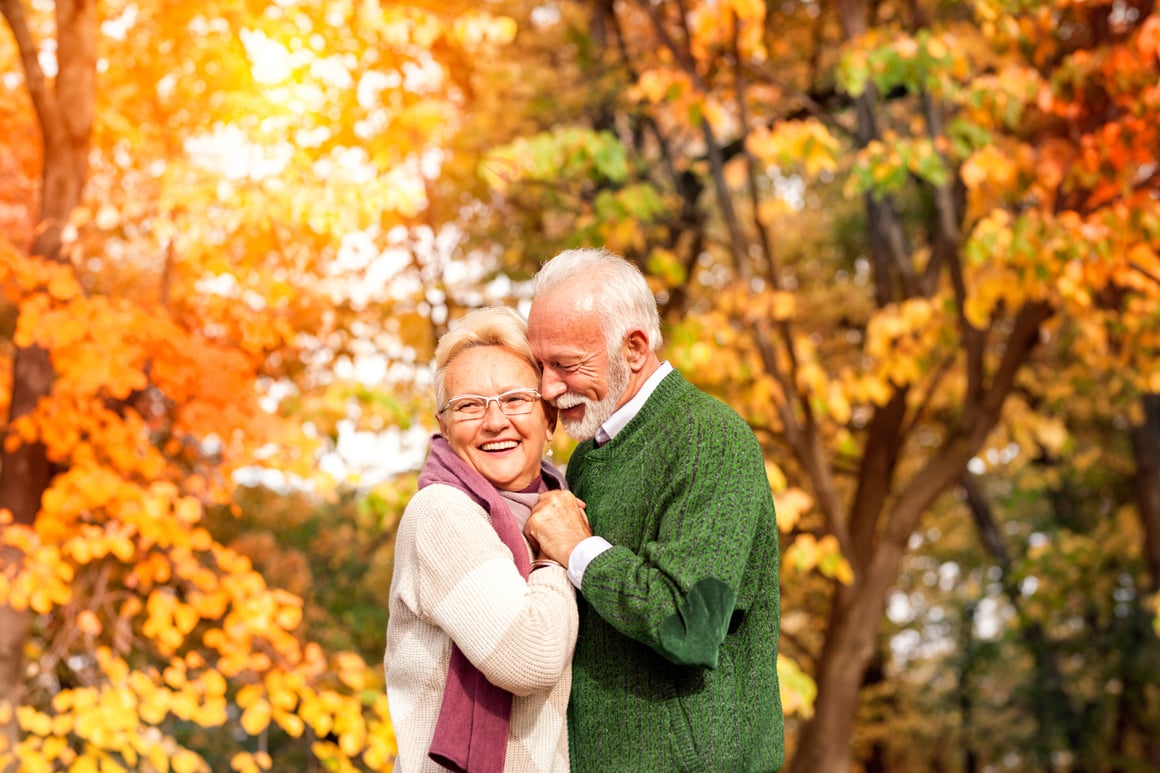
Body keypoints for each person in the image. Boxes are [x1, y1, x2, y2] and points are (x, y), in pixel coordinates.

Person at [522, 248, 784, 771]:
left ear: (635, 349)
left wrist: (579, 550)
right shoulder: (589, 462)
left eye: (567, 365)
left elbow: (691, 624)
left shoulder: (710, 437)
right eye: (541, 366)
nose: (548, 388)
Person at [385, 306, 580, 773]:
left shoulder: (561, 505)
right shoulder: (442, 513)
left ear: (549, 418)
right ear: (446, 429)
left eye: (515, 399)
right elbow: (527, 659)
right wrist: (559, 554)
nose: (494, 422)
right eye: (469, 406)